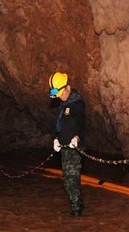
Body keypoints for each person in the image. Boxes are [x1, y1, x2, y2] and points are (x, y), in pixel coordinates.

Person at [49, 72, 85, 217]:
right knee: (67, 179)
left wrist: (76, 137)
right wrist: (56, 138)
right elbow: (62, 124)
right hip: (64, 146)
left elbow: (81, 123)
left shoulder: (77, 103)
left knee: (71, 178)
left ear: (68, 87)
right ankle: (77, 204)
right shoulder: (63, 105)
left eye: (62, 93)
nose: (61, 97)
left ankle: (76, 210)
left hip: (74, 147)